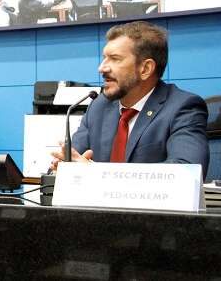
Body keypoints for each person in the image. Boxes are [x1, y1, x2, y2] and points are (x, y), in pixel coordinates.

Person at [51, 21, 209, 175]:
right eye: (104, 58)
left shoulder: (183, 107)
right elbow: (74, 158)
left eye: (115, 59)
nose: (102, 68)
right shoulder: (99, 106)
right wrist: (63, 169)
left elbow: (187, 172)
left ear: (145, 69)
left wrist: (95, 174)